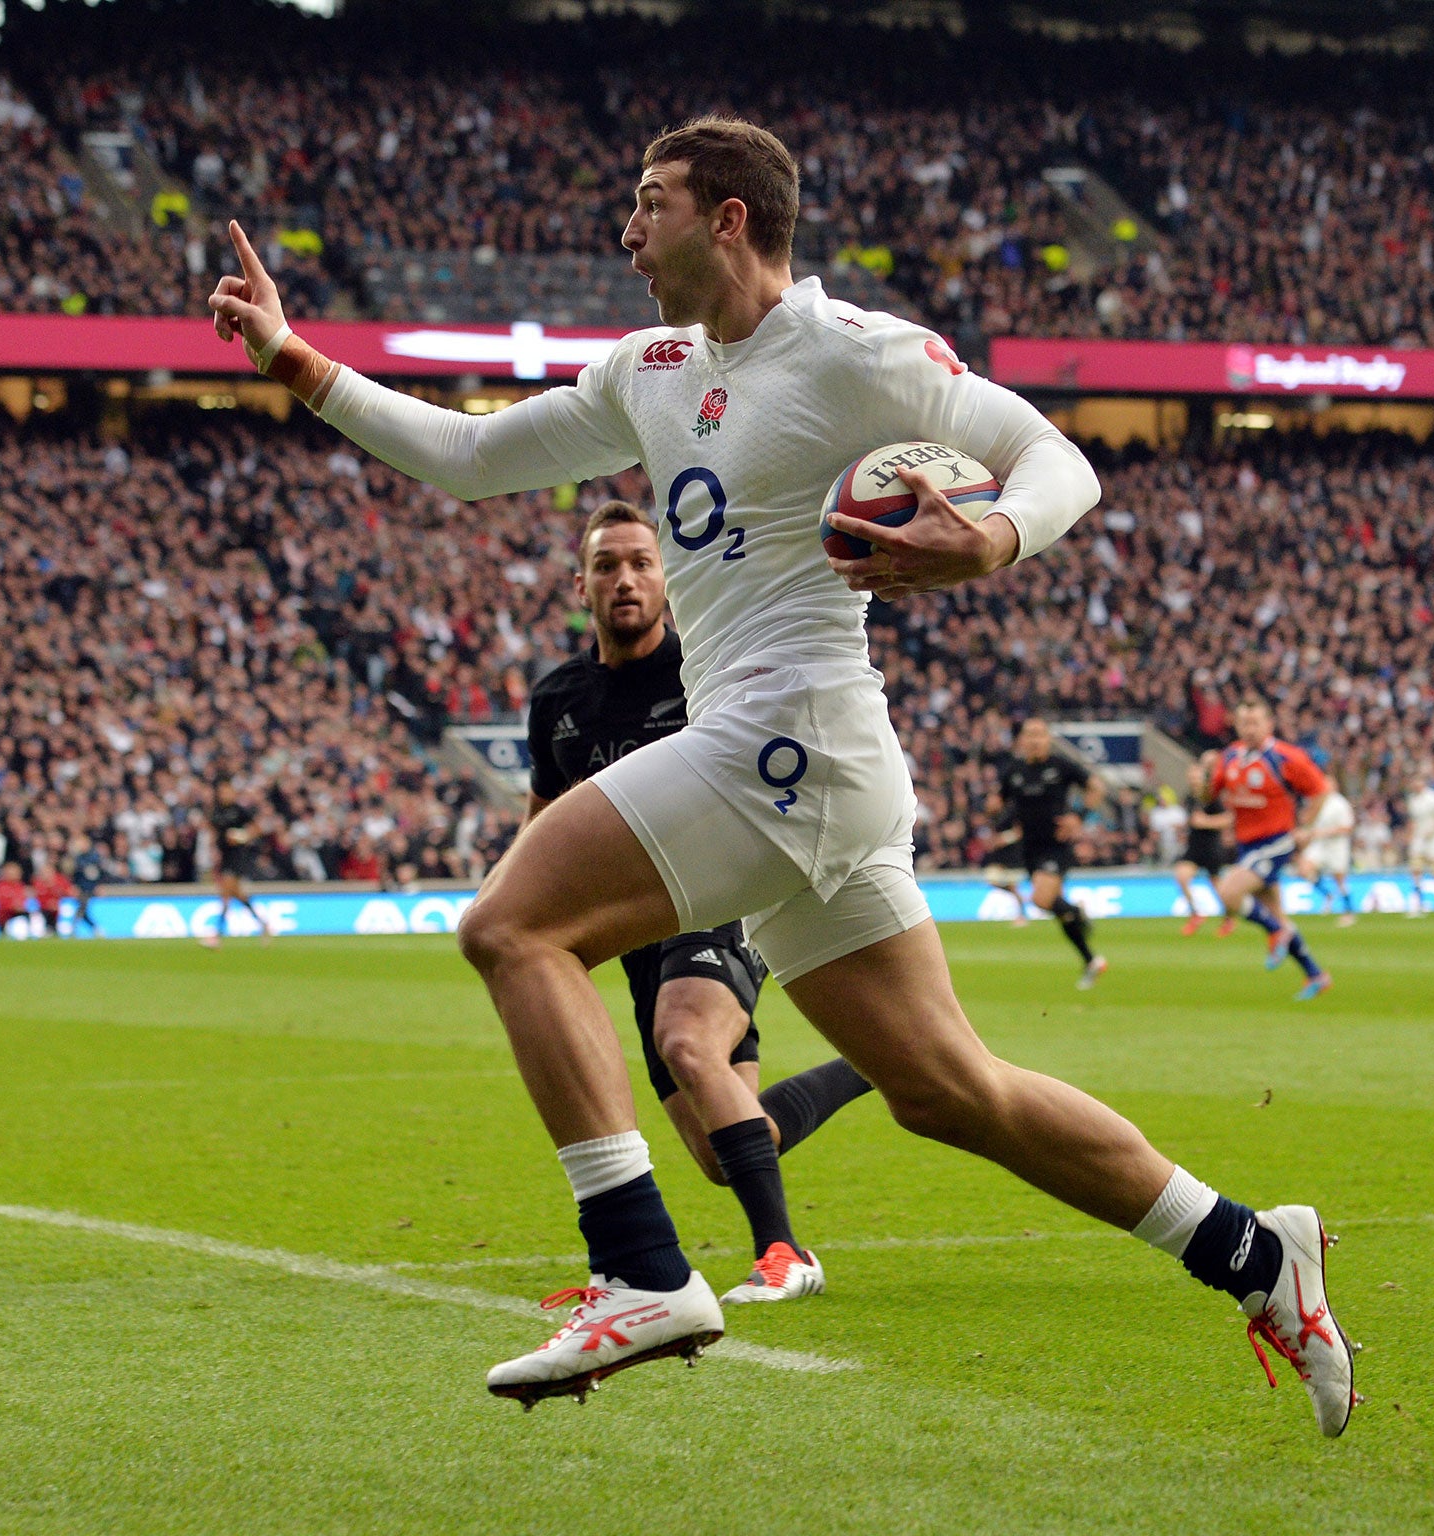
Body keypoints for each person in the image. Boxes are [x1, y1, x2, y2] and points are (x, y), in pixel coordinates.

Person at [208, 119, 1355, 1431]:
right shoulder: (648, 369)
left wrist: (989, 537)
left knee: (513, 927)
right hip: (810, 764)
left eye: (651, 205)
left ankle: (640, 1270)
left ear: (731, 218)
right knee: (946, 1092)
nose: (628, 232)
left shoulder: (853, 351)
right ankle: (1258, 1254)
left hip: (788, 739)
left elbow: (1060, 461)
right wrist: (297, 360)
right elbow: (467, 459)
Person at [524, 497, 873, 1303]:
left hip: (720, 899)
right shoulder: (557, 702)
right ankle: (871, 1068)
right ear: (580, 585)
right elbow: (544, 821)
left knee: (686, 1041)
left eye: (642, 563)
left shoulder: (703, 678)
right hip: (639, 936)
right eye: (607, 565)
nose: (625, 579)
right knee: (724, 1149)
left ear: (669, 577)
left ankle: (785, 1253)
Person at [1211, 697, 1333, 1000]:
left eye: (1255, 722)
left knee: (1228, 894)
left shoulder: (1285, 757)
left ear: (1269, 724)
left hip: (1276, 841)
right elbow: (1209, 793)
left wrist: (1304, 826)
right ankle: (1315, 974)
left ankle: (1274, 931)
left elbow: (1320, 790)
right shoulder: (1230, 757)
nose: (1249, 729)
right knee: (1277, 912)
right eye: (1244, 723)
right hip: (1246, 844)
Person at [987, 718, 1107, 989]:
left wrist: (1079, 817)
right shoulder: (1014, 771)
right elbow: (999, 801)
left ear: (1048, 739)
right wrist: (992, 806)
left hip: (1056, 845)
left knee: (1042, 898)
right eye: (1030, 735)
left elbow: (1096, 787)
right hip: (1029, 848)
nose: (1035, 740)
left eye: (1040, 735)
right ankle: (1089, 957)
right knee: (1052, 907)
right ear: (1022, 741)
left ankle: (1078, 919)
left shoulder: (1060, 766)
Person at [202, 782, 273, 948]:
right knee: (236, 894)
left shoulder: (239, 810)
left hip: (238, 856)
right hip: (224, 856)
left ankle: (216, 934)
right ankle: (263, 923)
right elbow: (213, 832)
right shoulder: (216, 812)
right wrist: (213, 850)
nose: (225, 795)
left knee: (225, 894)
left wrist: (242, 836)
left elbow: (256, 829)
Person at [1175, 753, 1236, 937]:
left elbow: (1228, 819)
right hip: (1194, 846)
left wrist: (1206, 822)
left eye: (1196, 775)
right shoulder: (1189, 798)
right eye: (1190, 775)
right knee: (1181, 876)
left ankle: (1229, 918)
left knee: (1218, 888)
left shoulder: (1212, 796)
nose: (1192, 779)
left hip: (1211, 846)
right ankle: (1196, 913)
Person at [1294, 785, 1357, 927]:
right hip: (1319, 844)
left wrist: (1324, 832)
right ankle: (1327, 894)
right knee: (1304, 869)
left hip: (1337, 845)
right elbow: (1309, 823)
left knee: (1340, 879)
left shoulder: (1340, 804)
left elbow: (1348, 828)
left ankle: (1349, 911)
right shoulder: (1315, 802)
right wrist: (1305, 833)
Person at [1402, 772, 1434, 918]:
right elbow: (1413, 821)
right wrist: (1410, 835)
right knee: (1416, 869)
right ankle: (1418, 904)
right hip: (1420, 837)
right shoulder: (1413, 800)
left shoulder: (1433, 797)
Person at [69, 834, 108, 938]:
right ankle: (94, 927)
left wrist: (100, 886)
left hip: (91, 887)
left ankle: (74, 927)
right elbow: (76, 875)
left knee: (82, 908)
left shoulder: (94, 857)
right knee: (83, 908)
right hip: (82, 887)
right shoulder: (78, 858)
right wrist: (75, 886)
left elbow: (101, 873)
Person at [32, 861, 77, 939]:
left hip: (60, 909)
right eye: (43, 871)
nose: (46, 874)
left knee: (67, 906)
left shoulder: (61, 880)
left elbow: (72, 893)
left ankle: (66, 928)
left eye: (48, 871)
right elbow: (35, 899)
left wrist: (58, 903)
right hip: (44, 910)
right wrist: (48, 904)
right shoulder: (37, 883)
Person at [0, 861, 33, 939]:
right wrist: (13, 906)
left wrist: (19, 906)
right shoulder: (1, 886)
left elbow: (23, 900)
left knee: (29, 915)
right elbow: (2, 902)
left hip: (17, 912)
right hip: (5, 915)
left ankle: (29, 933)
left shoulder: (19, 885)